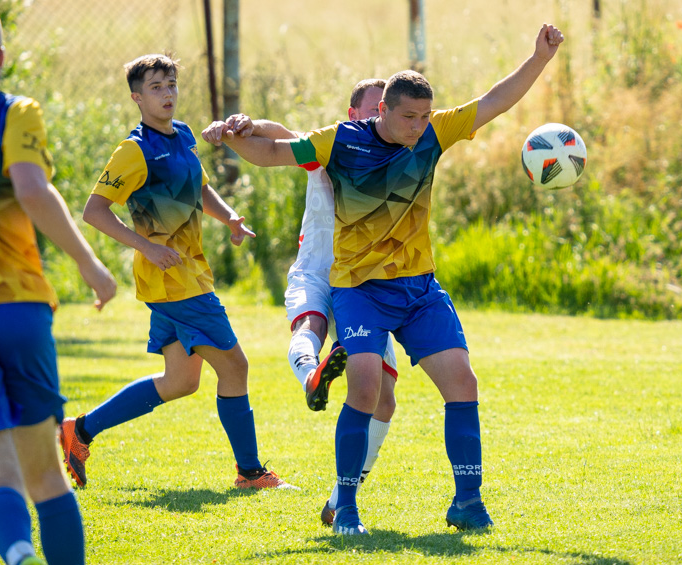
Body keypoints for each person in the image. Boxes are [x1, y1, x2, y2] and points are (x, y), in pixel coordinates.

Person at [204, 23, 564, 535]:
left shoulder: (436, 132)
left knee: (463, 383)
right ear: (383, 111)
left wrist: (539, 60)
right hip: (359, 290)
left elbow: (494, 100)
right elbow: (273, 152)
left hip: (418, 289)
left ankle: (467, 502)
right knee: (367, 386)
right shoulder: (339, 142)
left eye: (424, 116)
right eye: (408, 117)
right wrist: (234, 138)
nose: (419, 126)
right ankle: (346, 506)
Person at [58, 54, 295, 492]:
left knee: (180, 382)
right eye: (156, 87)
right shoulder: (133, 150)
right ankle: (250, 472)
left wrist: (229, 219)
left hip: (183, 275)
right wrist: (146, 245)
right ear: (136, 97)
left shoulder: (183, 135)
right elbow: (94, 212)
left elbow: (200, 188)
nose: (167, 94)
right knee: (236, 368)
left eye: (171, 85)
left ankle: (81, 430)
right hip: (174, 281)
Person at [203, 79, 400, 527]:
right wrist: (245, 126)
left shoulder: (402, 157)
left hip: (366, 286)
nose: (382, 119)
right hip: (316, 273)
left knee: (384, 401)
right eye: (375, 110)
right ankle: (313, 377)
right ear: (354, 114)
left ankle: (337, 498)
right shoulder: (332, 146)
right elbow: (281, 136)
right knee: (307, 331)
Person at [0, 8, 117, 565]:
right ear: (0, 57)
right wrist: (90, 264)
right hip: (18, 306)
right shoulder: (16, 113)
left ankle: (17, 553)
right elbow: (32, 191)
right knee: (44, 469)